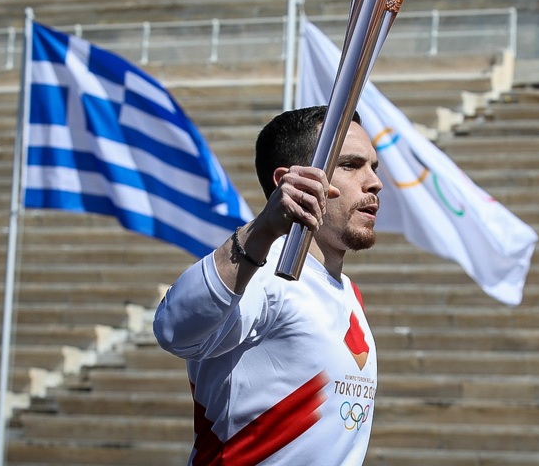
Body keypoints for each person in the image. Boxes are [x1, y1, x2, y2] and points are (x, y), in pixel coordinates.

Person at [153, 105, 383, 466]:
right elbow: (174, 330)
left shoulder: (348, 293)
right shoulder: (263, 273)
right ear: (289, 181)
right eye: (351, 165)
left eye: (374, 166)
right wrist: (262, 229)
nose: (374, 182)